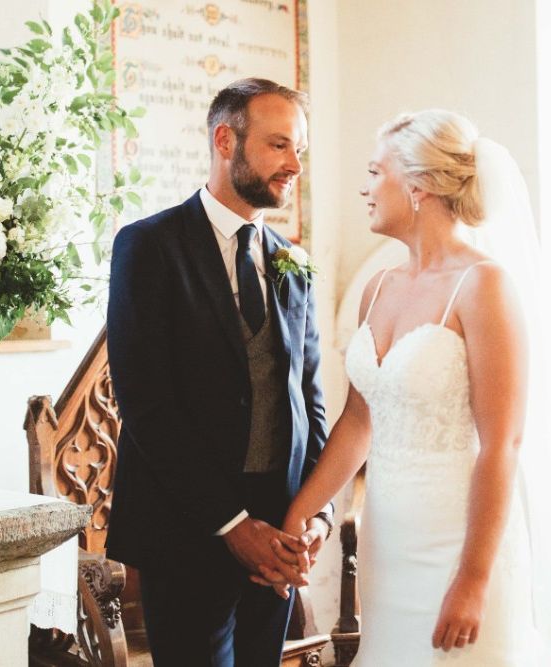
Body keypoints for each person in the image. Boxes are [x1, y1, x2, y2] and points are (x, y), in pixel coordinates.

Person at [257, 109, 548, 665]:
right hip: (387, 543)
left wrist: (473, 578)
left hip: (457, 541)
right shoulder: (379, 287)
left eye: (375, 172)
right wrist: (301, 513)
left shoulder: (483, 287)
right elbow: (358, 424)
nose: (365, 188)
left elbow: (502, 444)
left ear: (418, 186)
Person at [105, 78, 332, 667]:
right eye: (280, 146)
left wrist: (316, 511)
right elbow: (146, 402)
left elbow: (310, 396)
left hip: (281, 531)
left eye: (299, 150)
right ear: (225, 139)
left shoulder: (291, 261)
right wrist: (232, 525)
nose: (294, 166)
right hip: (187, 528)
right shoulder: (148, 246)